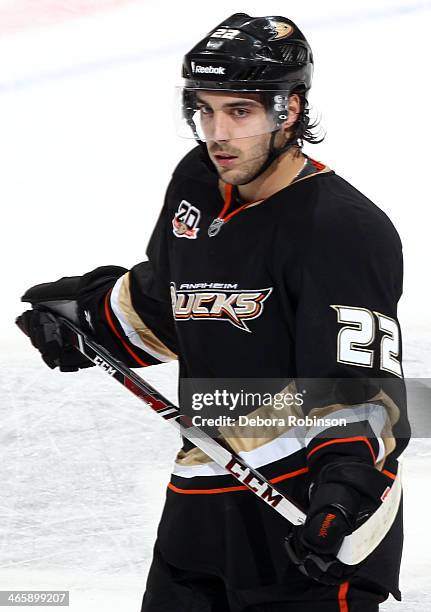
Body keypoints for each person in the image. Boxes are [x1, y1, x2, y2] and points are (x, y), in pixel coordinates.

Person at [16, 14, 410, 612]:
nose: (217, 133)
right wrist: (89, 324)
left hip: (308, 524)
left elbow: (358, 386)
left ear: (291, 109)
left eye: (240, 111)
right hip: (201, 503)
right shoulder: (199, 183)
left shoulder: (341, 230)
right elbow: (167, 303)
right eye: (204, 110)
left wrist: (341, 497)